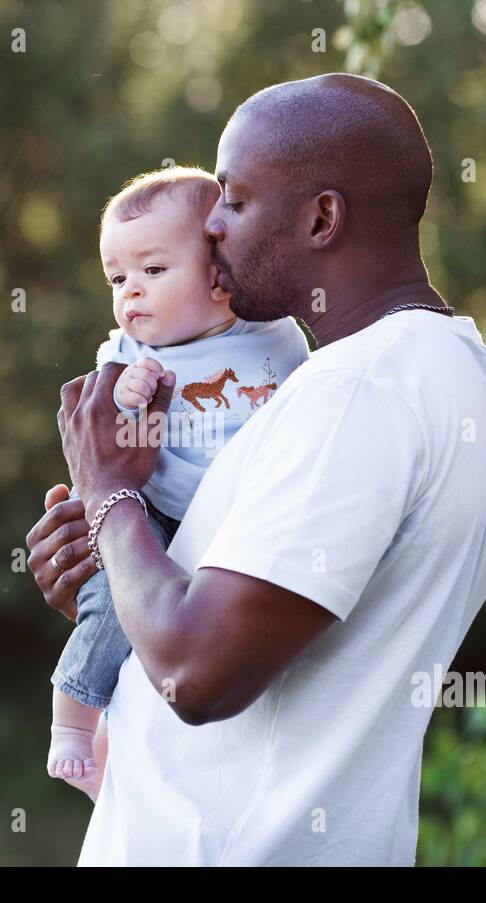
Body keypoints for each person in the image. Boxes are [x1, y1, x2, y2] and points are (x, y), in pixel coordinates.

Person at [27, 73, 486, 865]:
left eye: (235, 200)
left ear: (322, 217)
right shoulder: (441, 370)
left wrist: (110, 491)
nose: (210, 228)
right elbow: (226, 630)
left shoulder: (360, 392)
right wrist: (111, 579)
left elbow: (197, 673)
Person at [46, 166, 309, 799]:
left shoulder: (275, 334)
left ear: (219, 276)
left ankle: (120, 741)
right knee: (112, 606)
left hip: (238, 525)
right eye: (117, 278)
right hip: (155, 513)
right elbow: (103, 429)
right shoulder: (129, 355)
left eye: (153, 271)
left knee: (198, 635)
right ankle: (74, 726)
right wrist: (131, 394)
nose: (130, 292)